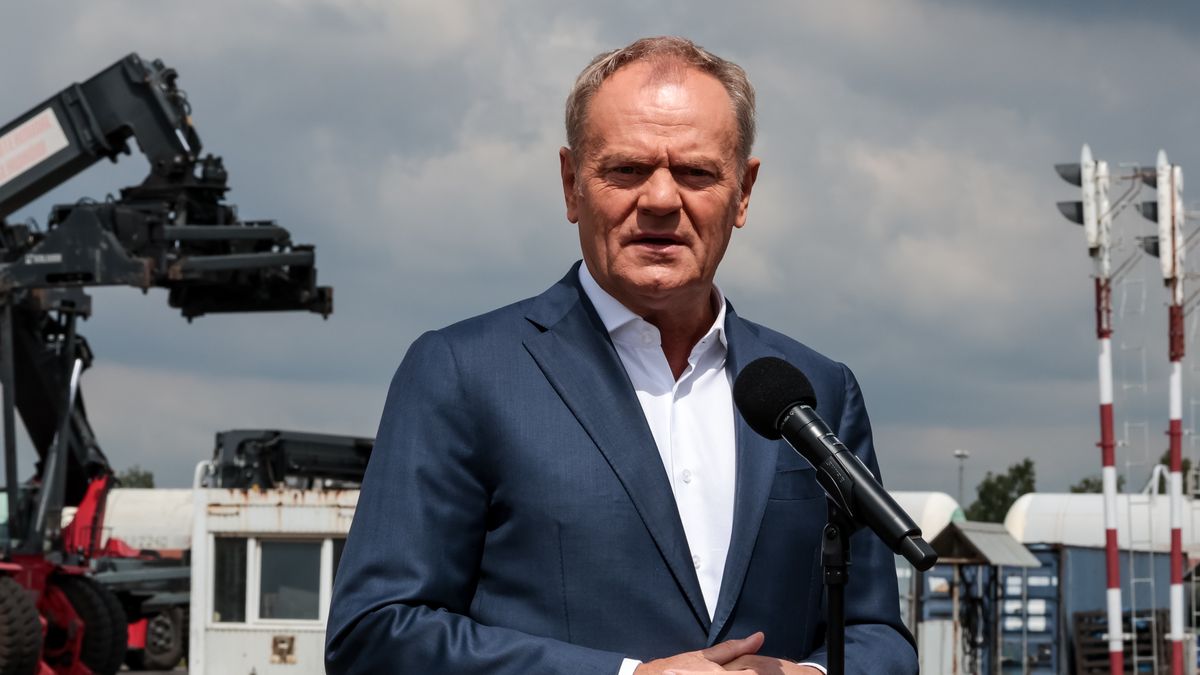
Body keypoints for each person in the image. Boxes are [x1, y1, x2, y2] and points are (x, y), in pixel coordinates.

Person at [325, 36, 916, 674]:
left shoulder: (816, 389)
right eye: (627, 170)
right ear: (572, 183)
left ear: (743, 192)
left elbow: (876, 632)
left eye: (696, 173)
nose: (661, 201)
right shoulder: (463, 373)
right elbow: (375, 635)